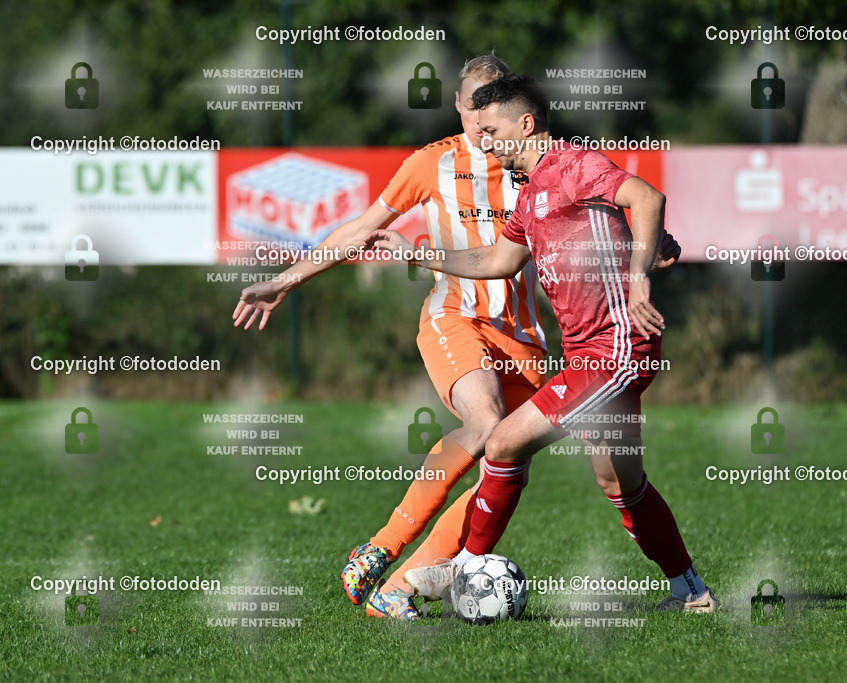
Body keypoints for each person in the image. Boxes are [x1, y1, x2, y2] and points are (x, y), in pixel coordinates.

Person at [233, 53, 681, 621]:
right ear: (459, 106)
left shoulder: (539, 166)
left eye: (490, 110)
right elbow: (362, 228)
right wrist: (285, 281)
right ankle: (386, 549)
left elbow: (614, 208)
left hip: (525, 337)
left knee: (516, 465)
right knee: (490, 427)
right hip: (456, 317)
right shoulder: (433, 162)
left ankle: (403, 587)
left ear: (517, 114)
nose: (480, 123)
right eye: (473, 109)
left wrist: (647, 247)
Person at [368, 74, 716, 613]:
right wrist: (418, 254)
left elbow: (647, 196)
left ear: (526, 125)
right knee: (619, 481)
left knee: (504, 442)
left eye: (491, 131)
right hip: (590, 355)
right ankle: (691, 591)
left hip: (615, 350)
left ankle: (463, 568)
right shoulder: (530, 197)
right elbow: (496, 260)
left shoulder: (573, 165)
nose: (484, 142)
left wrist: (639, 275)